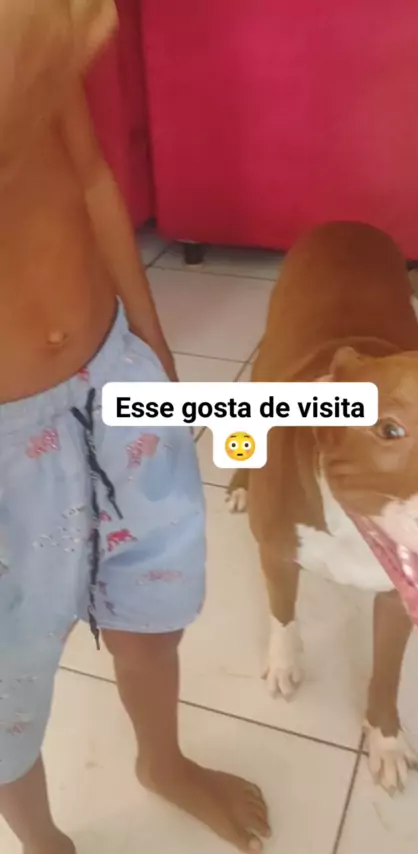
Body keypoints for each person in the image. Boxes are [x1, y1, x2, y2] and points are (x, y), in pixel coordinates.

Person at [0, 2, 270, 852]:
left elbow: (88, 176)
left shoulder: (35, 39)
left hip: (111, 376)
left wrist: (149, 341)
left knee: (154, 607)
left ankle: (163, 760)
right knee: (6, 688)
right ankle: (41, 838)